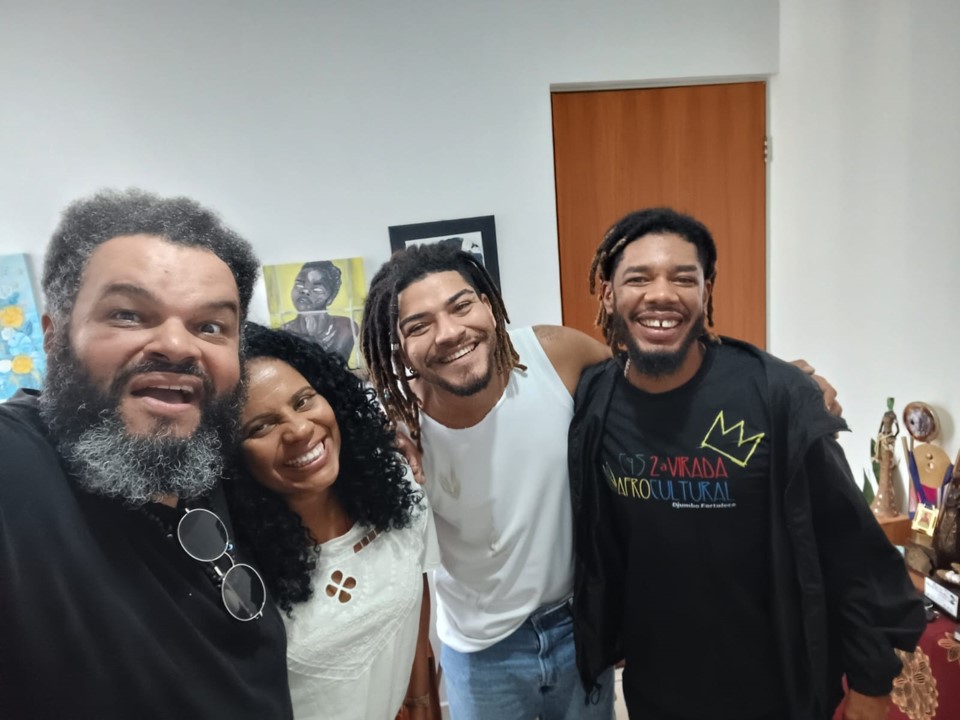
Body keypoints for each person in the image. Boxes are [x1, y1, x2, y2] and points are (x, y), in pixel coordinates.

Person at [361, 242, 841, 720]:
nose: (449, 332)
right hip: (480, 651)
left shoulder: (554, 356)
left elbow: (664, 377)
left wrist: (780, 385)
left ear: (488, 305)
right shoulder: (399, 426)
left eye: (461, 305)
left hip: (576, 627)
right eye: (418, 326)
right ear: (399, 346)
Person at [569, 207, 926, 720]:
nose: (661, 294)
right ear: (608, 294)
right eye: (638, 278)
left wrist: (871, 688)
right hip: (655, 687)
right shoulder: (594, 403)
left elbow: (852, 549)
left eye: (683, 278)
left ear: (707, 291)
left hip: (776, 688)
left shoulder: (777, 396)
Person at [0, 189, 293, 719]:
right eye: (129, 314)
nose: (178, 346)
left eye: (210, 326)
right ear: (53, 336)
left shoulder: (207, 452)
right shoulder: (17, 468)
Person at [223, 323, 441, 720]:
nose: (299, 429)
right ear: (230, 459)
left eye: (303, 400)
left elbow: (416, 587)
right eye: (261, 426)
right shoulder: (232, 571)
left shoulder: (394, 488)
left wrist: (420, 697)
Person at [283, 260, 359, 362]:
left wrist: (312, 338)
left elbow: (335, 366)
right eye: (299, 285)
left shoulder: (346, 327)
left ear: (331, 298)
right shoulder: (284, 331)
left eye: (317, 289)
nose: (305, 291)